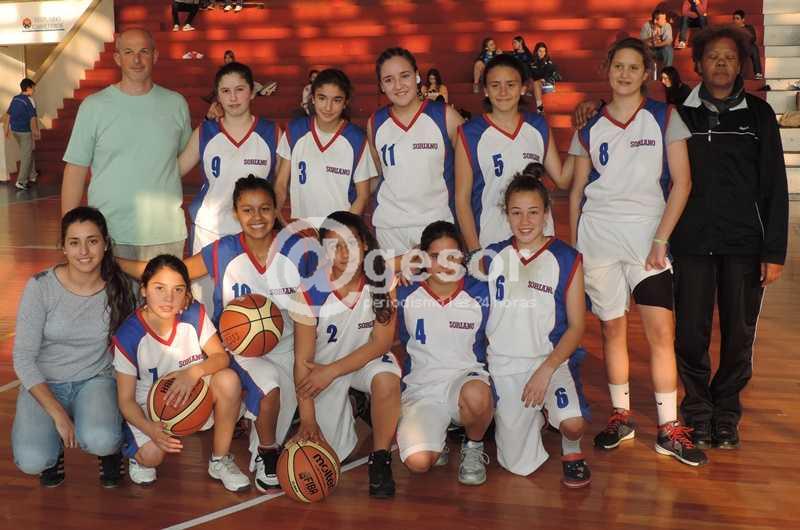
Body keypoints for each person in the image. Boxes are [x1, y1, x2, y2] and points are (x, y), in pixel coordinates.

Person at [118, 176, 315, 492]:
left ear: (277, 209)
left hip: (287, 342)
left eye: (265, 208)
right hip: (240, 348)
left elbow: (310, 311)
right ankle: (267, 452)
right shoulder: (224, 250)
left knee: (310, 415)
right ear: (236, 213)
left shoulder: (296, 250)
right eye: (247, 210)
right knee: (270, 392)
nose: (257, 217)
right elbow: (173, 272)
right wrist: (113, 261)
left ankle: (262, 424)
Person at [568, 37, 705, 467]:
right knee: (611, 330)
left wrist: (661, 239)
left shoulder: (664, 117)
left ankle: (668, 428)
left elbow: (682, 183)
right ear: (607, 70)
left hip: (647, 241)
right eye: (618, 66)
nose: (624, 74)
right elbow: (576, 191)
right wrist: (575, 248)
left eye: (633, 67)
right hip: (598, 239)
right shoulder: (590, 125)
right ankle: (621, 416)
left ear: (647, 73)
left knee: (660, 333)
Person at [671, 27, 788, 449]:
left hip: (744, 245)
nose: (721, 63)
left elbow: (775, 186)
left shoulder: (759, 115)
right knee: (690, 333)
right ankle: (697, 411)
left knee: (739, 335)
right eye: (713, 57)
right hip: (690, 244)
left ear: (741, 65)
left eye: (730, 57)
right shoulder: (677, 114)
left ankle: (726, 411)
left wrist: (774, 251)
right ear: (698, 64)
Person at [11, 207, 136, 488]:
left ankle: (110, 450)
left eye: (92, 241)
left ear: (106, 244)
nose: (84, 251)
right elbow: (22, 358)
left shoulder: (122, 287)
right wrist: (57, 414)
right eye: (74, 242)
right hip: (45, 382)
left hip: (95, 379)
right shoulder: (41, 287)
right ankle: (52, 449)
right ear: (63, 247)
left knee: (102, 439)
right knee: (32, 460)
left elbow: (154, 312)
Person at [484, 164, 590, 488]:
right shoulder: (491, 257)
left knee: (573, 424)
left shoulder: (566, 257)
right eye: (516, 213)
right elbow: (442, 266)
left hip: (550, 360)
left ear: (546, 213)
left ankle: (570, 446)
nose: (525, 221)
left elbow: (577, 327)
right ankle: (538, 417)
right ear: (506, 215)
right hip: (505, 364)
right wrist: (398, 265)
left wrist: (546, 370)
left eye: (533, 212)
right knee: (517, 466)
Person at [113, 255, 248, 490]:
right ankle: (136, 454)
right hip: (151, 408)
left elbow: (220, 357)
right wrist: (149, 428)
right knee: (152, 456)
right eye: (159, 288)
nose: (169, 298)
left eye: (178, 290)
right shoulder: (129, 335)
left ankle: (219, 460)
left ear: (187, 294)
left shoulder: (193, 314)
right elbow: (125, 401)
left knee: (229, 380)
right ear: (143, 289)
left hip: (193, 395)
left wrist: (193, 373)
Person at [291, 211, 401, 497]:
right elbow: (302, 362)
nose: (343, 253)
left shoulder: (382, 278)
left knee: (387, 380)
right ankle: (355, 405)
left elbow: (381, 343)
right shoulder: (309, 291)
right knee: (330, 456)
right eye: (334, 246)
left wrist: (332, 372)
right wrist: (308, 418)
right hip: (321, 369)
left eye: (350, 243)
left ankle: (380, 458)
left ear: (364, 243)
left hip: (364, 360)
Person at [62, 28, 192, 263]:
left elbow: (182, 161)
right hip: (108, 234)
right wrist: (69, 232)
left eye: (144, 51)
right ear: (117, 58)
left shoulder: (176, 104)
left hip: (165, 234)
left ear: (155, 56)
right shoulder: (94, 107)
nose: (137, 59)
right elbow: (75, 170)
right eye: (129, 52)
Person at [395, 221, 494, 486]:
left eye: (452, 256)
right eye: (435, 256)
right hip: (422, 389)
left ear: (462, 257)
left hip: (465, 381)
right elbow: (362, 273)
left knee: (477, 395)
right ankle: (438, 436)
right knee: (418, 463)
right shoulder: (404, 291)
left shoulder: (480, 292)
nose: (444, 264)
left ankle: (473, 446)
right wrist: (402, 263)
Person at [179, 61, 280, 314]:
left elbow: (280, 185)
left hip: (254, 231)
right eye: (225, 91)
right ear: (217, 95)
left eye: (239, 89)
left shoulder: (271, 132)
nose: (233, 98)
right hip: (209, 230)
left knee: (250, 309)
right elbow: (174, 171)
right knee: (204, 306)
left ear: (252, 92)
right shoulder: (206, 131)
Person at [455, 53, 567, 251]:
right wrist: (474, 250)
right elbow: (462, 199)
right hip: (492, 240)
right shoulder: (470, 133)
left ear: (523, 88)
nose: (503, 92)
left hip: (539, 238)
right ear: (485, 90)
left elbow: (562, 180)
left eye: (511, 84)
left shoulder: (538, 126)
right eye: (495, 85)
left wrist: (583, 134)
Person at [368, 47, 464, 257]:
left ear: (417, 76)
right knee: (394, 280)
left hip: (437, 226)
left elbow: (469, 173)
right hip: (390, 228)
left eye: (405, 76)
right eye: (389, 80)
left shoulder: (446, 116)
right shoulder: (375, 122)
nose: (398, 85)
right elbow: (376, 176)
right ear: (381, 86)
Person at [275, 69, 376, 225]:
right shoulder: (295, 130)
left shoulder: (356, 139)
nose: (328, 107)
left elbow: (362, 195)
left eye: (336, 100)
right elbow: (281, 183)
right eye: (322, 98)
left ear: (345, 102)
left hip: (339, 230)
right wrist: (278, 213)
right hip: (302, 229)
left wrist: (341, 231)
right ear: (313, 98)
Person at [3, 78, 40, 190]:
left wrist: (6, 130)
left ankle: (32, 175)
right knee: (26, 156)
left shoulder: (15, 98)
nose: (34, 90)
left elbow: (8, 114)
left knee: (27, 152)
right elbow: (32, 118)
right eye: (33, 88)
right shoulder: (29, 100)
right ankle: (21, 181)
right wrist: (35, 131)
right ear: (28, 88)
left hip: (15, 131)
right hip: (24, 132)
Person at [732, 10, 763, 79]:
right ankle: (738, 74)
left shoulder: (749, 28)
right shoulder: (732, 30)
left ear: (743, 20)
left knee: (754, 48)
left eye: (737, 18)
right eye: (734, 18)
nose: (735, 20)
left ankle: (758, 73)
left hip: (748, 46)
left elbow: (753, 38)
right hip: (737, 48)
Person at [530, 42, 560, 113]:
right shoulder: (531, 62)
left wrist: (544, 79)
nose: (542, 53)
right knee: (525, 86)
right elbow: (529, 75)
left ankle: (540, 109)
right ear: (536, 52)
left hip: (546, 85)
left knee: (536, 83)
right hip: (534, 84)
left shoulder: (549, 63)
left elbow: (554, 76)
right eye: (540, 51)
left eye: (544, 51)